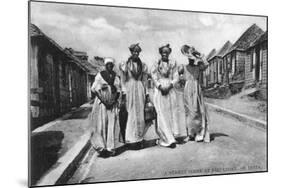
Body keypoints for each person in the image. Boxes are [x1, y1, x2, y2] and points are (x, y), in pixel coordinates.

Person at [151, 44, 187, 148]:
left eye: (167, 52)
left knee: (171, 112)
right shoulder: (156, 64)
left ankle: (172, 135)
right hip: (160, 90)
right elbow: (153, 76)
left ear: (169, 53)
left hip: (170, 89)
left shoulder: (173, 63)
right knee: (161, 113)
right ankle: (166, 138)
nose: (165, 54)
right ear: (161, 53)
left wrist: (171, 85)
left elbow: (176, 76)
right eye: (163, 52)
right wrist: (160, 86)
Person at [89, 57, 121, 157]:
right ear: (105, 65)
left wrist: (113, 101)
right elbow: (94, 89)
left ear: (113, 66)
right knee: (101, 125)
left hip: (112, 104)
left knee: (111, 125)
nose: (110, 66)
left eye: (111, 65)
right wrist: (104, 101)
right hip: (102, 104)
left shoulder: (115, 77)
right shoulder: (100, 75)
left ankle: (111, 148)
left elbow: (119, 91)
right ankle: (102, 148)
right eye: (108, 65)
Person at [119, 43, 149, 149]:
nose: (136, 53)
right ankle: (131, 140)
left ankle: (139, 138)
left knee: (140, 114)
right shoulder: (125, 64)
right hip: (130, 89)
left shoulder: (143, 65)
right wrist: (124, 92)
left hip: (140, 88)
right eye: (134, 51)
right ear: (131, 52)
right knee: (131, 114)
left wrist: (146, 93)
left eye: (138, 51)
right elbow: (122, 80)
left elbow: (145, 81)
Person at [180, 45, 210, 142]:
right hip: (187, 89)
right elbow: (177, 75)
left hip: (196, 88)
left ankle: (198, 132)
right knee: (189, 112)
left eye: (192, 58)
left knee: (197, 110)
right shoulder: (184, 67)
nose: (191, 60)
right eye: (189, 58)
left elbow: (206, 64)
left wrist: (199, 54)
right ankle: (190, 133)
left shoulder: (198, 67)